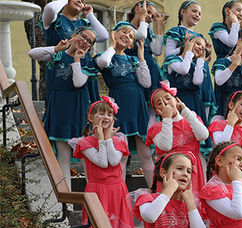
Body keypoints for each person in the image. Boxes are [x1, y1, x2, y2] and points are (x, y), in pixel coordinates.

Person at [72, 97, 139, 228]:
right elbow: (101, 162)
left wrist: (107, 138)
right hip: (97, 191)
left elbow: (113, 161)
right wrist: (101, 138)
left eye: (109, 114)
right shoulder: (84, 142)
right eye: (101, 113)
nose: (105, 117)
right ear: (91, 117)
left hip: (117, 190)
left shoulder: (119, 141)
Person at [27, 26, 98, 187]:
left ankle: (95, 202)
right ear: (74, 35)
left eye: (89, 41)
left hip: (78, 110)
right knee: (63, 158)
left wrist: (77, 60)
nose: (85, 42)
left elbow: (78, 82)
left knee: (86, 158)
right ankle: (67, 202)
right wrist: (57, 48)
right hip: (59, 109)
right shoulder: (57, 56)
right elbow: (32, 54)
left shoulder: (87, 61)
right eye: (83, 36)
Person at [94, 22, 154, 187]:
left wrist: (141, 58)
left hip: (138, 104)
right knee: (122, 153)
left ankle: (155, 190)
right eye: (124, 32)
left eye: (130, 36)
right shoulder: (104, 55)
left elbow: (146, 82)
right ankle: (119, 192)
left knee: (146, 154)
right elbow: (104, 63)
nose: (127, 36)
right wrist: (112, 45)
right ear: (114, 33)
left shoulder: (133, 59)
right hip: (119, 104)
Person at [146, 82, 210, 193]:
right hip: (170, 171)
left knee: (192, 203)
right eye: (159, 103)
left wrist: (185, 111)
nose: (165, 103)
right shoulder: (156, 128)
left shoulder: (191, 118)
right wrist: (167, 119)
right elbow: (165, 146)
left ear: (176, 100)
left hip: (190, 170)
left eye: (167, 98)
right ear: (157, 111)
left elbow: (203, 135)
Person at [209, 91, 242, 178]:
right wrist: (230, 124)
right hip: (225, 170)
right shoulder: (219, 124)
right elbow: (220, 144)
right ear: (231, 105)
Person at [160, 33, 209, 125]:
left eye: (203, 48)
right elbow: (184, 69)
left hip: (194, 102)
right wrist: (188, 51)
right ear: (187, 42)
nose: (200, 48)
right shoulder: (173, 59)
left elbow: (197, 81)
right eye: (197, 43)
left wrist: (200, 61)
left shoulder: (196, 66)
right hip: (178, 100)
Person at [212, 35, 242, 119]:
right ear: (239, 41)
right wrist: (234, 64)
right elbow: (219, 81)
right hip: (224, 108)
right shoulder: (223, 62)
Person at [126, 1, 165, 101]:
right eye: (148, 12)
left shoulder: (148, 31)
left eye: (152, 16)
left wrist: (158, 27)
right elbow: (140, 35)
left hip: (153, 74)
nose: (150, 17)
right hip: (136, 74)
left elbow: (157, 51)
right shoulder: (125, 28)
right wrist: (142, 18)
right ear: (137, 9)